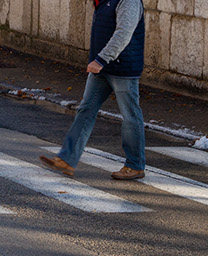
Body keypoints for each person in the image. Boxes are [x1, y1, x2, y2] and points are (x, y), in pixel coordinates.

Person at [41, 0, 147, 180]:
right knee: (85, 110)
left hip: (123, 68)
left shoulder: (128, 1)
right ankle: (67, 158)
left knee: (130, 116)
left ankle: (135, 165)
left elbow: (123, 33)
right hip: (102, 67)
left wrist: (101, 59)